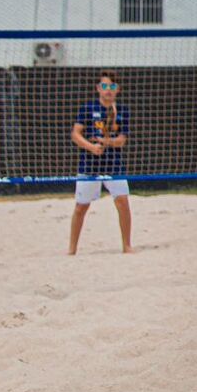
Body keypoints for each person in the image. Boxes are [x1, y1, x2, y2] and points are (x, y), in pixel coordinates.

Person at [68, 70, 134, 255]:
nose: (108, 90)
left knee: (122, 202)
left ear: (117, 89)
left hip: (113, 164)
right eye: (104, 86)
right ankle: (72, 249)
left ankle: (127, 246)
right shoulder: (87, 109)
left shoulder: (122, 111)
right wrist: (91, 147)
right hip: (89, 164)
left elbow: (121, 140)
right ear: (98, 88)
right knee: (81, 207)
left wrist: (106, 142)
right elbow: (75, 134)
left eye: (112, 86)